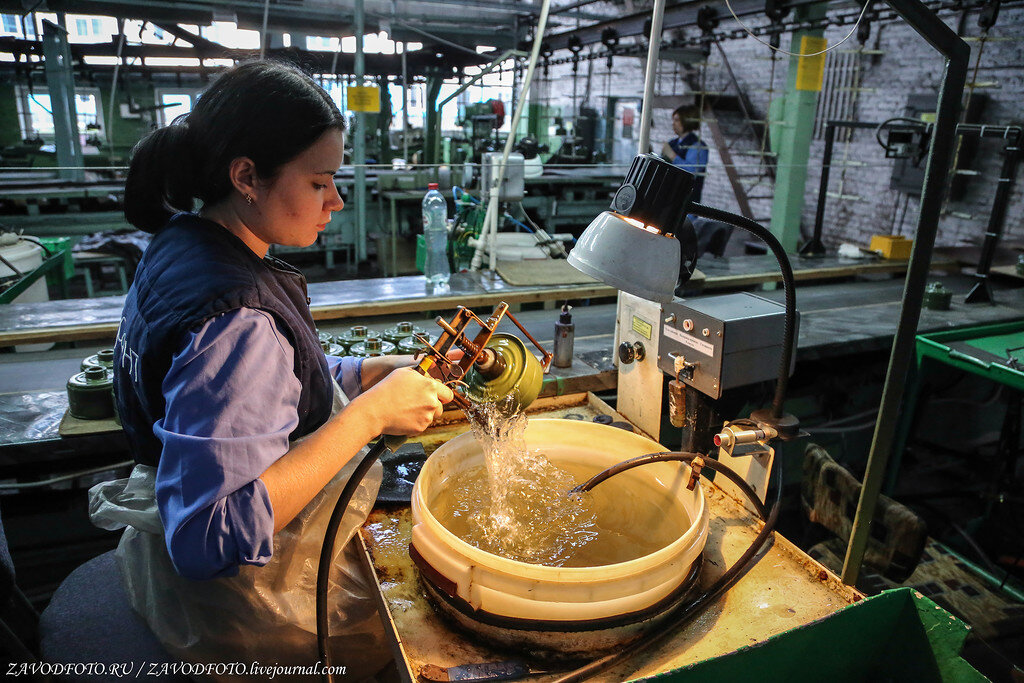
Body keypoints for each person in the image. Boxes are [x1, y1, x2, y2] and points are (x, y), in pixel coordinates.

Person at [91, 60, 453, 680]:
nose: (336, 202)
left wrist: (362, 372)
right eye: (320, 183)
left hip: (179, 582)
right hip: (248, 614)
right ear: (247, 177)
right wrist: (369, 416)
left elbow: (258, 391)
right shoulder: (236, 321)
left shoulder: (187, 243)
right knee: (437, 628)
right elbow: (210, 538)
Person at [661, 103, 709, 204]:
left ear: (687, 121)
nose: (673, 124)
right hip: (667, 198)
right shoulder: (672, 143)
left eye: (677, 120)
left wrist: (673, 156)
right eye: (673, 120)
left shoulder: (698, 146)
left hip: (686, 201)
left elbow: (692, 173)